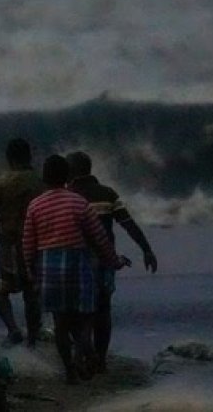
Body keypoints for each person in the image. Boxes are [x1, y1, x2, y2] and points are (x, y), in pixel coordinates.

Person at [22, 154, 130, 384]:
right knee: (86, 316)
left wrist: (31, 271)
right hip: (77, 264)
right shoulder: (79, 203)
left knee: (60, 322)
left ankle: (70, 371)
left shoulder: (35, 205)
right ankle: (83, 349)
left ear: (44, 178)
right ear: (67, 177)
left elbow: (28, 243)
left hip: (49, 266)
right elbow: (100, 239)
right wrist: (114, 261)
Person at [66, 150, 158, 373]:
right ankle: (101, 359)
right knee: (103, 310)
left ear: (72, 172)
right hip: (105, 259)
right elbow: (128, 223)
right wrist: (146, 249)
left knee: (77, 312)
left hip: (76, 262)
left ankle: (83, 355)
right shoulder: (107, 193)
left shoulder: (68, 196)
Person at [0, 138, 44, 346]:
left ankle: (13, 329)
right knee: (32, 294)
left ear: (8, 158)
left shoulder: (1, 182)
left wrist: (1, 240)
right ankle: (33, 337)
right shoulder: (41, 182)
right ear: (30, 156)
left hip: (9, 243)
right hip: (37, 245)